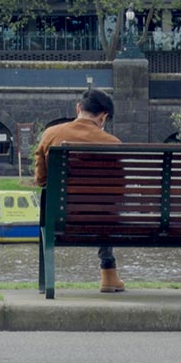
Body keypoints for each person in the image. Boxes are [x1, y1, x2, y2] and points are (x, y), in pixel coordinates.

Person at [34, 87, 125, 293]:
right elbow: (120, 190)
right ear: (103, 117)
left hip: (61, 218)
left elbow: (41, 180)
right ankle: (108, 273)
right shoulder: (113, 144)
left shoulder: (51, 134)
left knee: (47, 196)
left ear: (78, 108)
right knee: (108, 206)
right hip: (103, 219)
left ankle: (45, 281)